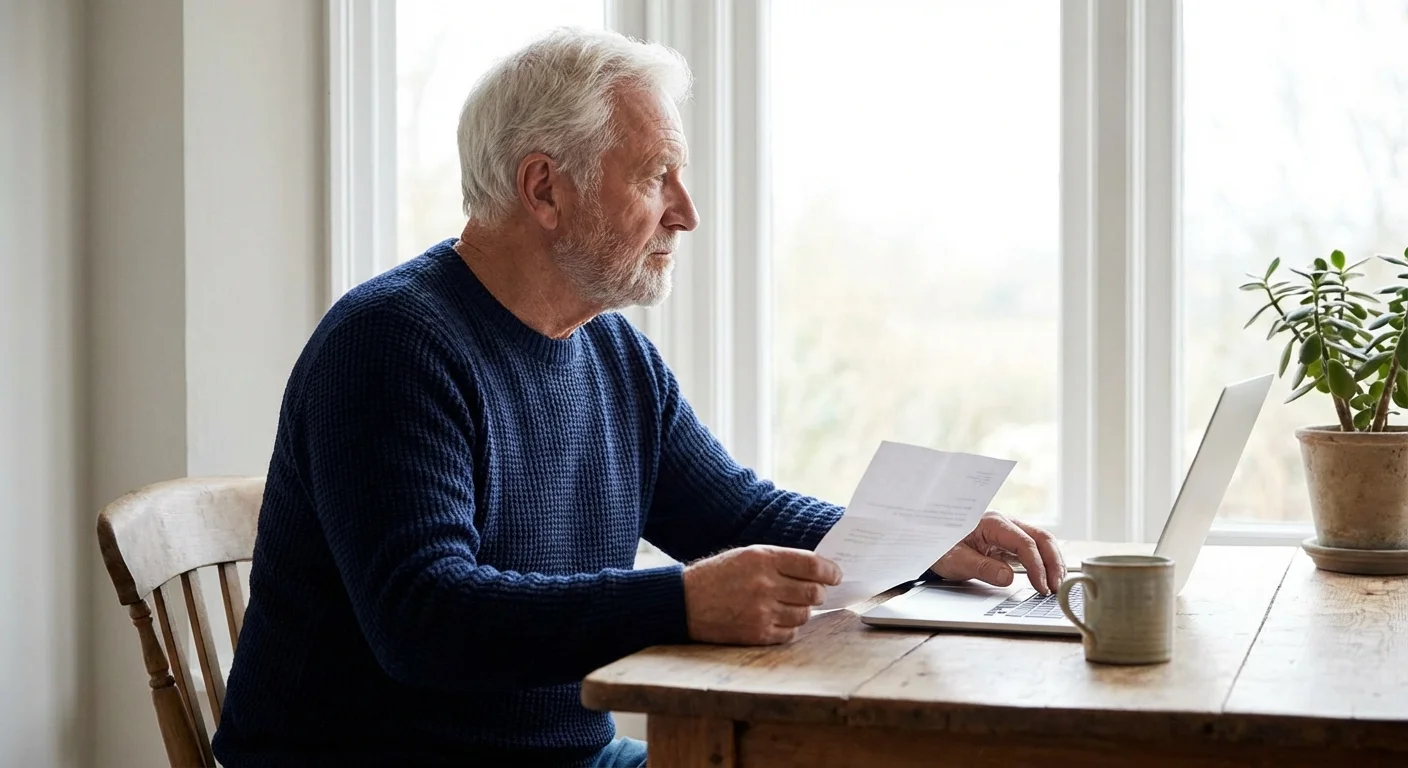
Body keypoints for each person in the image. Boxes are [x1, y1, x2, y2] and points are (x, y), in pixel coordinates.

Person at [213, 27, 1064, 768]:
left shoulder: (611, 350)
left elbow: (731, 513)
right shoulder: (391, 344)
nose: (686, 213)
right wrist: (683, 602)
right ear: (544, 188)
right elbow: (423, 618)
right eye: (657, 176)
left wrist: (921, 543)